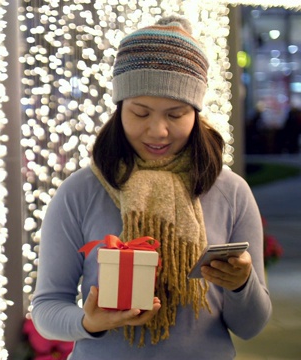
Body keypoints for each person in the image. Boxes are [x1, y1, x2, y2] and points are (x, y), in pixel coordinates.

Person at [31, 15, 271, 359]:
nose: (158, 131)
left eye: (175, 114)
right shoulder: (81, 191)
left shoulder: (230, 191)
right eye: (140, 112)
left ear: (197, 113)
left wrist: (241, 285)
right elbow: (46, 309)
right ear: (119, 109)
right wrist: (89, 321)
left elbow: (251, 326)